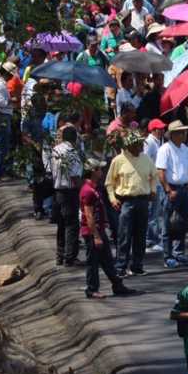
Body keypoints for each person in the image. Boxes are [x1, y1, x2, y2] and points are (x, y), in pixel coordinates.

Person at [81, 157, 136, 299]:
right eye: (99, 169)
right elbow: (89, 215)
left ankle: (117, 285)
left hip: (99, 230)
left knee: (107, 260)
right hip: (92, 232)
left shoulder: (95, 188)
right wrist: (96, 236)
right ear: (93, 171)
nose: (102, 171)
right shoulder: (88, 191)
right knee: (93, 262)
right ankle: (92, 289)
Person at [106, 130, 156, 277]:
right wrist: (113, 199)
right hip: (125, 202)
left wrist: (153, 190)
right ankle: (121, 266)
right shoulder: (118, 160)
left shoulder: (146, 158)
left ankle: (137, 266)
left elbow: (153, 176)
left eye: (141, 144)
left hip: (143, 201)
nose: (140, 147)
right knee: (124, 235)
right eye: (138, 144)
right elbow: (109, 183)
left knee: (140, 235)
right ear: (129, 146)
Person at [157, 120, 188, 268]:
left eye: (184, 131)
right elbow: (161, 171)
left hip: (184, 188)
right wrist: (167, 189)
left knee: (182, 223)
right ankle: (168, 256)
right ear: (173, 134)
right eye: (181, 132)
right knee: (167, 224)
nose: (184, 134)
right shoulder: (165, 149)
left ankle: (179, 253)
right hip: (172, 188)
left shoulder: (185, 148)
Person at [52, 123, 83, 266]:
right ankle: (70, 257)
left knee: (61, 224)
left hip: (58, 191)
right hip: (70, 191)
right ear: (74, 138)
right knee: (72, 225)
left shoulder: (56, 150)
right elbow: (75, 176)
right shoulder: (71, 153)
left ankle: (60, 255)